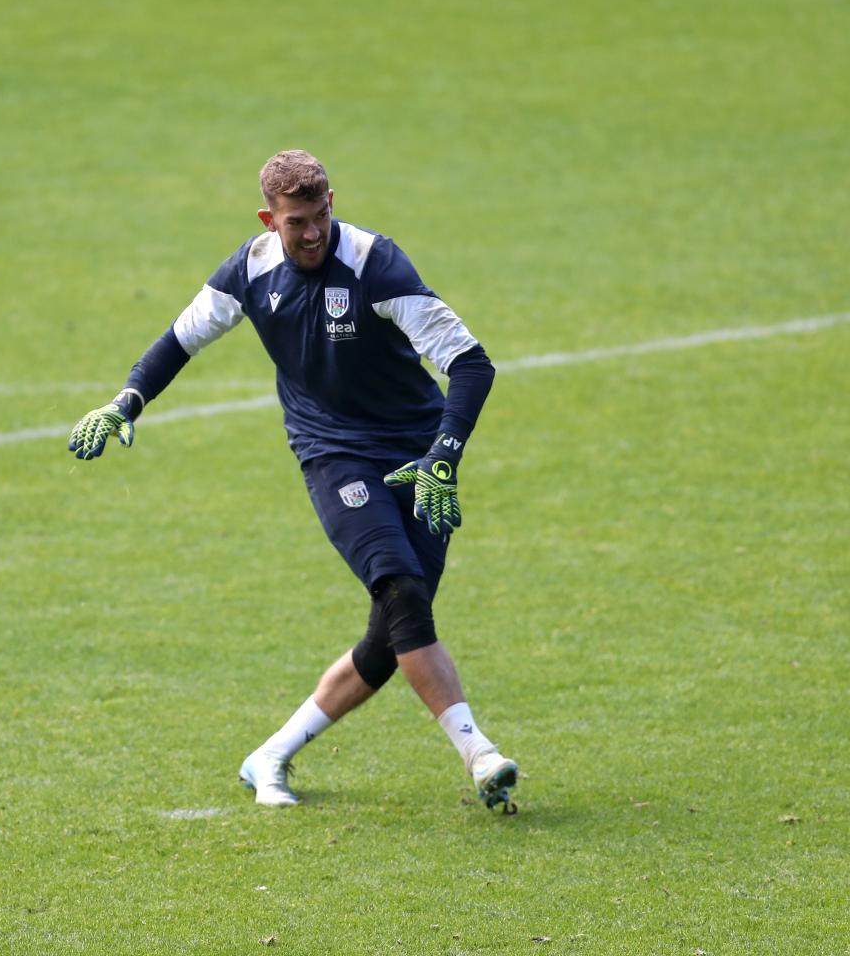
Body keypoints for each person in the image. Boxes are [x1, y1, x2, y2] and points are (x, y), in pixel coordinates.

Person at [67, 150, 518, 813]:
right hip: (333, 453)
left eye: (318, 217)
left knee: (392, 636)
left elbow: (472, 365)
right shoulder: (249, 272)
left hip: (416, 457)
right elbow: (179, 341)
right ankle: (480, 757)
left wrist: (442, 459)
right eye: (295, 222)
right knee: (401, 596)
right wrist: (125, 402)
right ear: (268, 218)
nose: (310, 234)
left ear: (333, 201)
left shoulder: (375, 265)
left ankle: (271, 754)